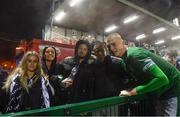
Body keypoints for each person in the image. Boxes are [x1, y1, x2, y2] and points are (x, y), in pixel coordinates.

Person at [106, 33, 180, 116]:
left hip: (173, 87)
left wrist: (134, 91)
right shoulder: (124, 61)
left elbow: (162, 79)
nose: (111, 48)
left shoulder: (134, 55)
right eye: (108, 46)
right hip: (162, 90)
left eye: (113, 44)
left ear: (122, 42)